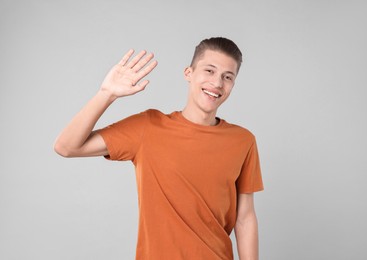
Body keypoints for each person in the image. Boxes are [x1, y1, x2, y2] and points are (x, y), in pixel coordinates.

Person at [54, 37, 264, 260]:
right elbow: (66, 146)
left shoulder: (243, 141)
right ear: (188, 73)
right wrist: (107, 94)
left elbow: (245, 217)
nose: (218, 83)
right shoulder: (148, 128)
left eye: (227, 77)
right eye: (209, 71)